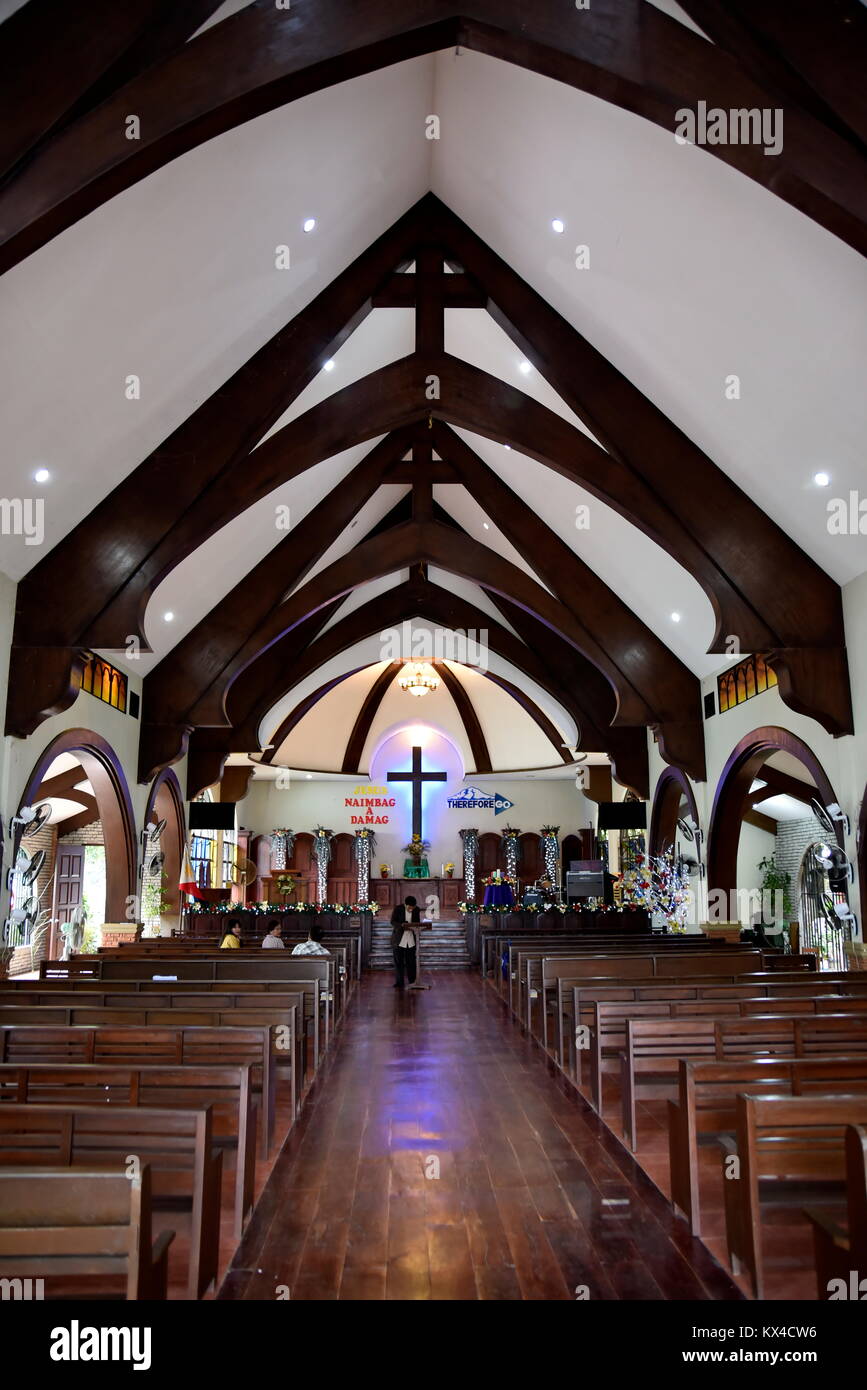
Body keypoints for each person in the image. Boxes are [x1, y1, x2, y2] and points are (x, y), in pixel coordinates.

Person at [391, 895, 420, 989]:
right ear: (405, 905)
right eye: (409, 907)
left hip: (411, 939)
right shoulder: (398, 909)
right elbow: (392, 922)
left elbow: (417, 922)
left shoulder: (416, 909)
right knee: (399, 962)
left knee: (411, 961)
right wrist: (402, 925)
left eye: (413, 908)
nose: (411, 909)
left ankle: (412, 981)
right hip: (399, 939)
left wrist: (414, 926)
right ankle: (399, 982)